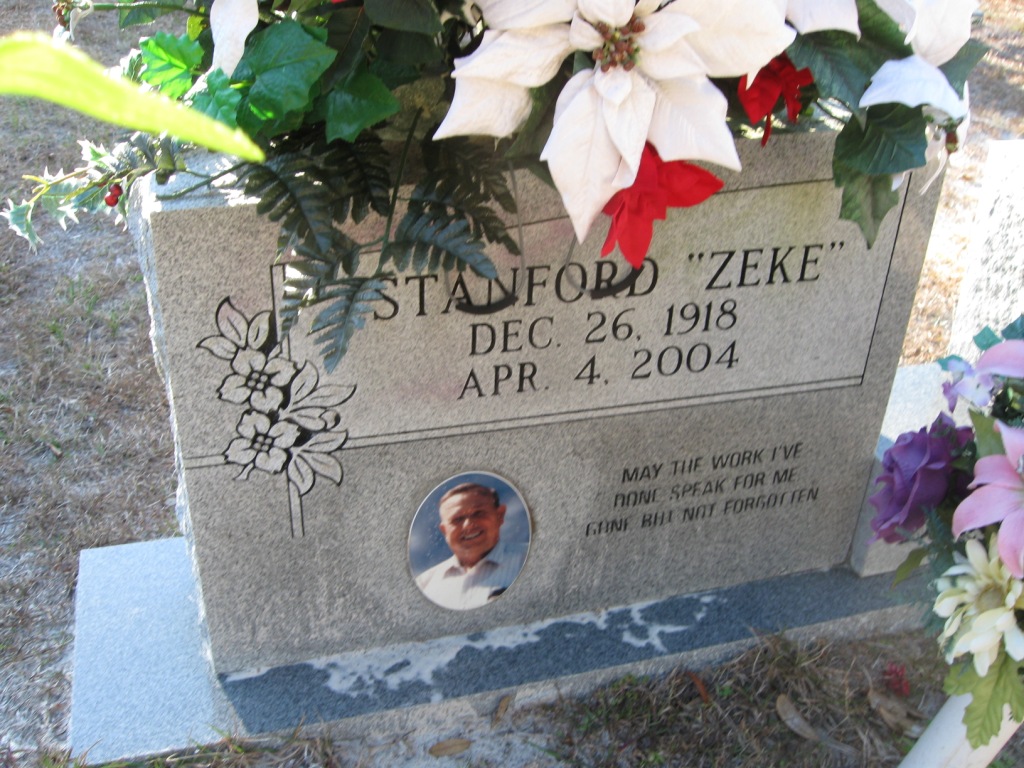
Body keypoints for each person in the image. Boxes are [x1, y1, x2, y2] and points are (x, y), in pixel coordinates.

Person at [414, 482, 528, 610]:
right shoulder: (425, 584)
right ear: (445, 530)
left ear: (499, 515)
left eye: (478, 513)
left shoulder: (530, 558)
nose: (468, 525)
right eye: (457, 519)